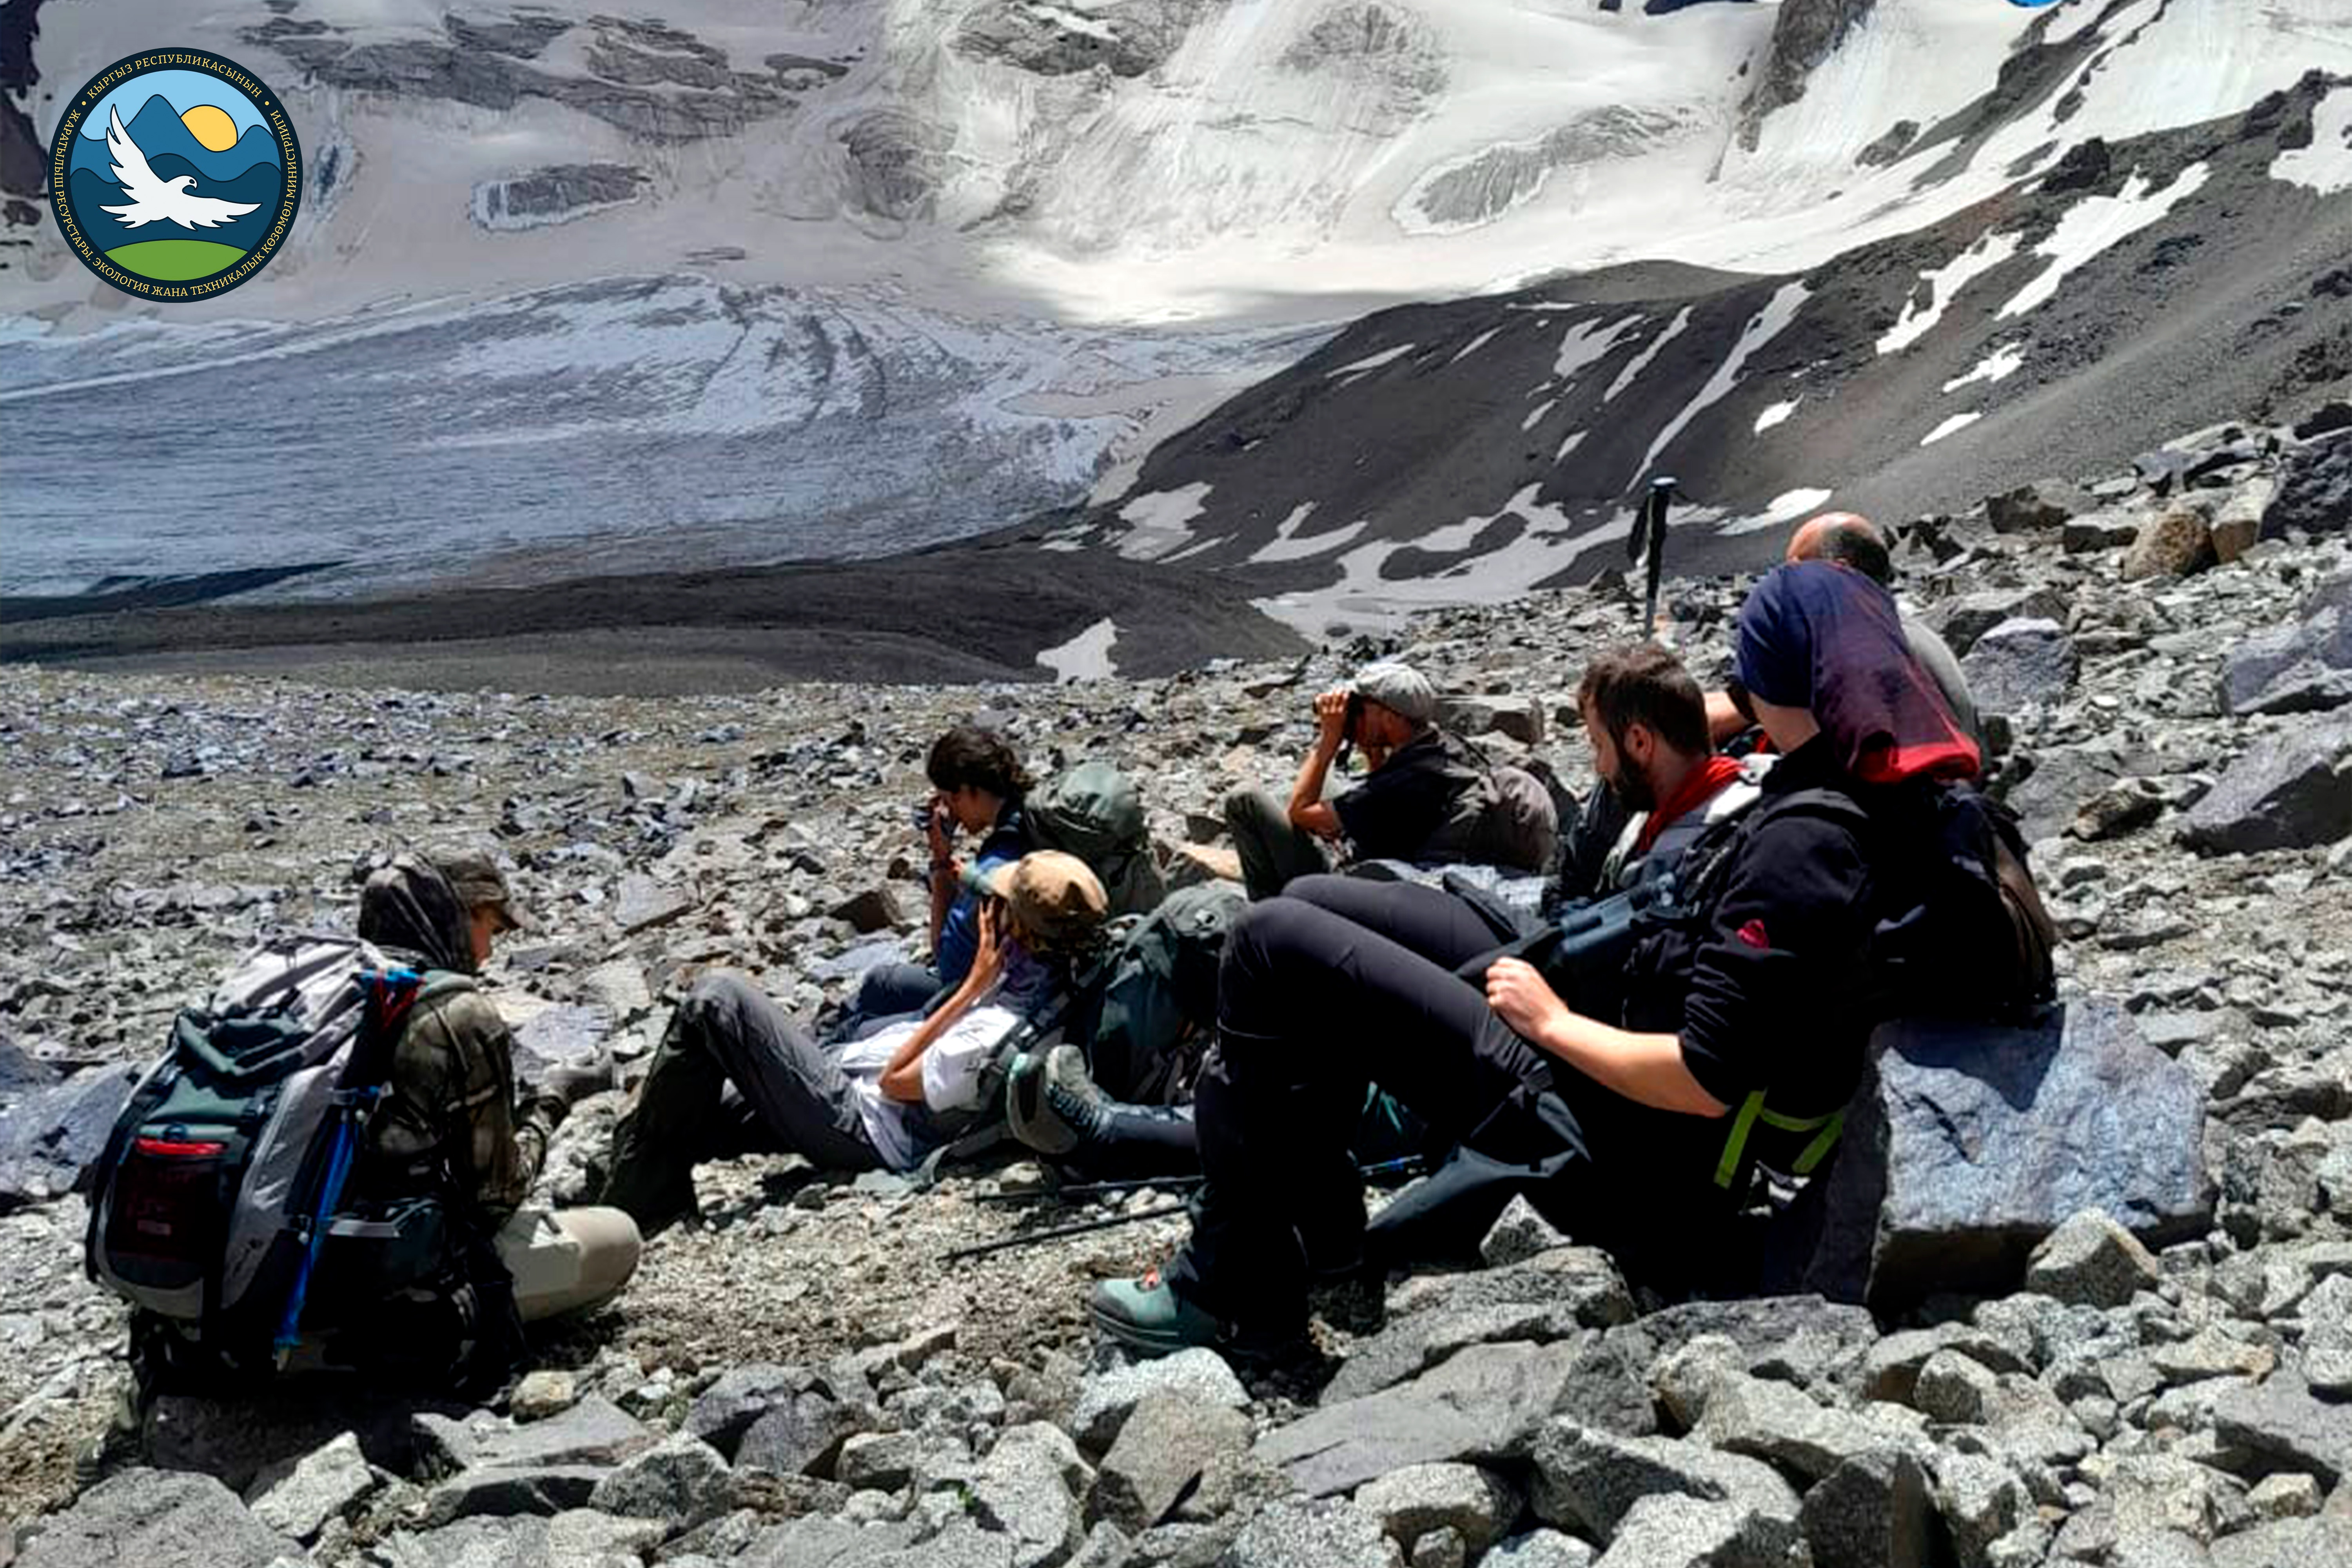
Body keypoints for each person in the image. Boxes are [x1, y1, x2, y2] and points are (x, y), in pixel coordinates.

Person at [1089, 560, 1980, 1355]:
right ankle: (1323, 1232)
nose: (1734, 685)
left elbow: (1706, 1078)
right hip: (1612, 1031)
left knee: (1265, 942)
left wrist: (1550, 1022)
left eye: (1747, 668)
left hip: (1612, 1136)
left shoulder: (1805, 845)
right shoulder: (1858, 780)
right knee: (1316, 899)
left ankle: (1233, 1287)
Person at [1011, 643, 1760, 1172]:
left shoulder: (1712, 851)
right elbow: (1575, 879)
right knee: (1306, 902)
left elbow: (1693, 1064)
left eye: (1598, 746)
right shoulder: (1666, 795)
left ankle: (1126, 1136)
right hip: (1540, 942)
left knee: (1295, 963)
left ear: (1640, 741)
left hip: (1561, 1024)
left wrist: (1552, 1022)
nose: (1593, 765)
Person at [601, 852, 1109, 1233]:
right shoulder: (1038, 981)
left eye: (996, 905)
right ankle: (630, 1185)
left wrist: (969, 989)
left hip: (861, 1122)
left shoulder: (998, 1025)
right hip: (854, 1082)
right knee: (676, 1115)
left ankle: (640, 1200)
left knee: (717, 999)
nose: (986, 910)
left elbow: (895, 1084)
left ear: (1015, 928)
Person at [351, 849, 643, 1325]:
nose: (488, 953)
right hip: (377, 1280)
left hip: (256, 1276)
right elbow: (496, 1200)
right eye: (492, 928)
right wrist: (552, 1102)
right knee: (619, 1238)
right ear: (457, 916)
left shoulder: (321, 990)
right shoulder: (457, 1014)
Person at [1705, 513, 1980, 753]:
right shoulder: (1903, 630)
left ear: (1839, 570)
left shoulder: (1848, 650)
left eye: (1797, 570)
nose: (1784, 586)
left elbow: (1710, 724)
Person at [1223, 660, 1480, 900]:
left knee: (1244, 799)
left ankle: (1268, 908)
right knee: (1323, 784)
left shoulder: (1403, 783)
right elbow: (1383, 807)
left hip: (1347, 883)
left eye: (1360, 709)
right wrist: (1374, 754)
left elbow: (1300, 813)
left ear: (1389, 719)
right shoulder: (1442, 746)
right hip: (1389, 854)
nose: (1352, 715)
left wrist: (1327, 743)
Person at [846, 726, 1033, 1025]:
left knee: (875, 992)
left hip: (989, 999)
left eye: (949, 799)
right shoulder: (1032, 824)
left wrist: (941, 859)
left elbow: (945, 961)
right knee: (882, 986)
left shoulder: (995, 869)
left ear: (968, 790)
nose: (951, 812)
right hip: (1032, 982)